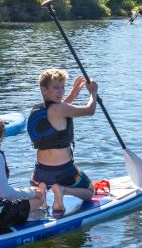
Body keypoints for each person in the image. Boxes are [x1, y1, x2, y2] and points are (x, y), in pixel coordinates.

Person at [27, 69, 99, 215]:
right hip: (63, 171)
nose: (60, 92)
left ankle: (42, 189)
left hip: (39, 172)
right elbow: (90, 110)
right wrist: (93, 92)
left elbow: (57, 112)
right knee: (90, 191)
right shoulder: (61, 109)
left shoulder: (36, 110)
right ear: (44, 90)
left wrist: (72, 95)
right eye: (55, 88)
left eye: (62, 87)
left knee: (40, 180)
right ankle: (62, 189)